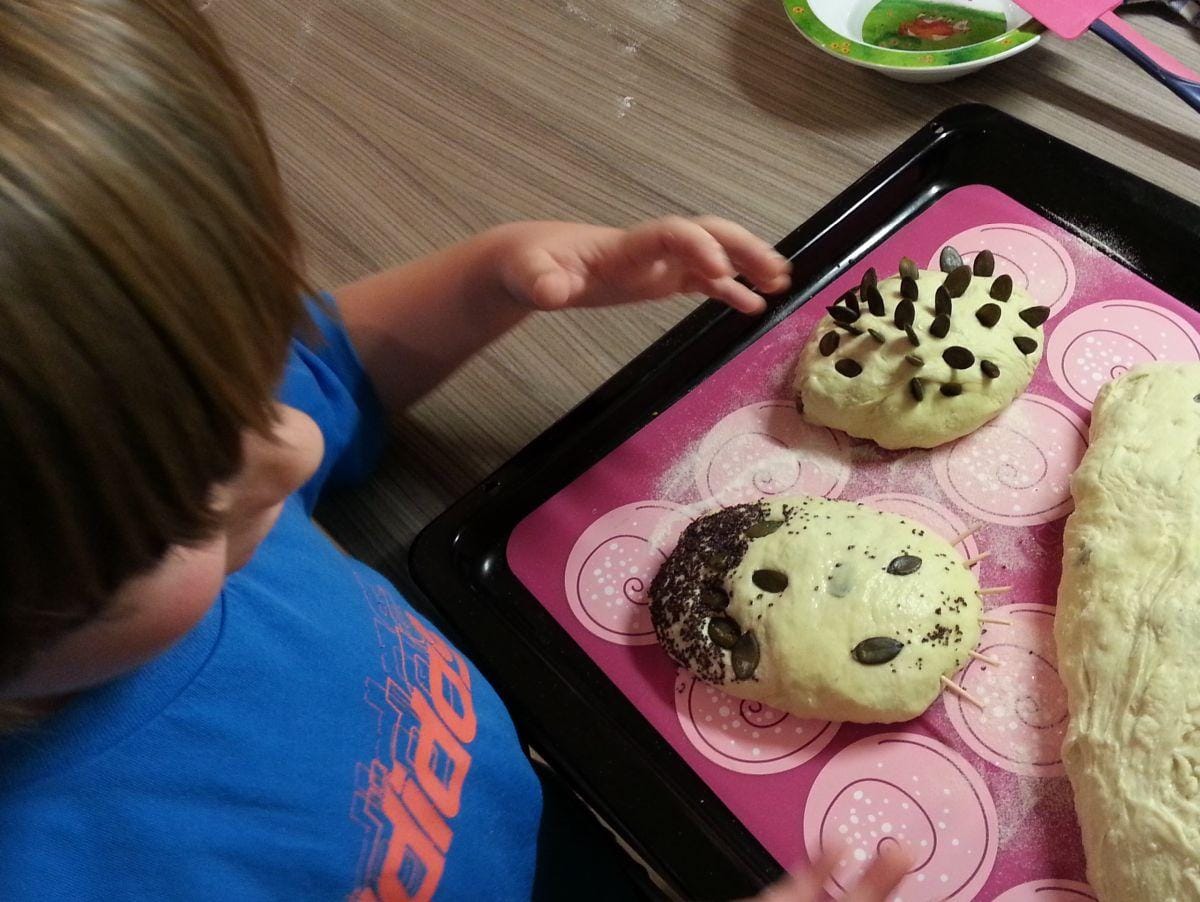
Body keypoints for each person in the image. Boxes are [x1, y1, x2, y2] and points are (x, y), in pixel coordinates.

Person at [0, 1, 908, 899]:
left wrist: (494, 276)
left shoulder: (93, 452)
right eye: (186, 509)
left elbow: (334, 361)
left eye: (251, 377)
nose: (300, 446)